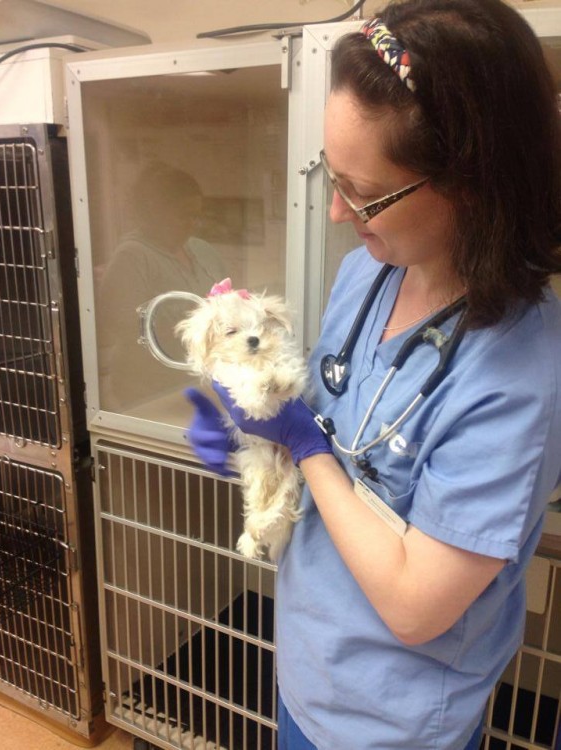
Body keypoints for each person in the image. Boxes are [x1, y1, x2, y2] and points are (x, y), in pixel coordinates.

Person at [184, 0, 561, 747]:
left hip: (391, 722)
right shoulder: (368, 273)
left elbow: (417, 607)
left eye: (362, 192)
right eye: (333, 175)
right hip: (307, 667)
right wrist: (255, 434)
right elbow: (334, 429)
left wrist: (307, 445)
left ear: (471, 181)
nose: (334, 212)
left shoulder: (524, 369)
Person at [98, 162, 225, 409]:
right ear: (154, 211)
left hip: (199, 381)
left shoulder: (201, 249)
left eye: (196, 215)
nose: (193, 223)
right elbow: (124, 328)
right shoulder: (131, 257)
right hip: (149, 388)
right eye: (184, 215)